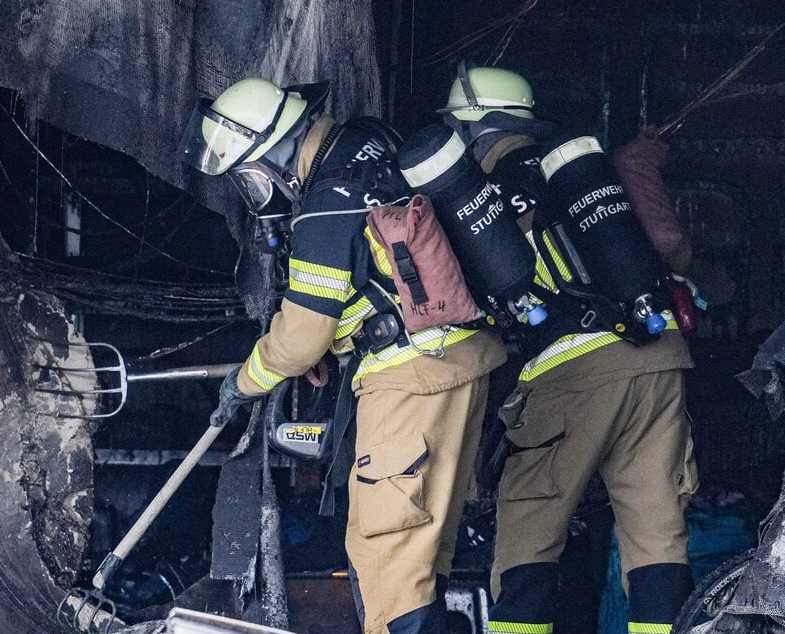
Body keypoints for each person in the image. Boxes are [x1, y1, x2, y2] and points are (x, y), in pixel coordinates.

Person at [181, 77, 506, 633]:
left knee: (388, 560)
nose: (256, 192)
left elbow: (299, 338)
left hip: (408, 381)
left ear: (275, 155)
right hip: (459, 361)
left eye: (250, 177)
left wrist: (246, 381)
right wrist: (336, 343)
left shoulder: (324, 206)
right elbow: (379, 275)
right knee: (425, 556)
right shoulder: (369, 147)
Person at [438, 64, 699, 634]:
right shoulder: (585, 170)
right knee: (655, 527)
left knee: (531, 526)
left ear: (469, 129)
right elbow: (672, 252)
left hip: (570, 370)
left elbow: (460, 304)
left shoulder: (473, 198)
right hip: (658, 355)